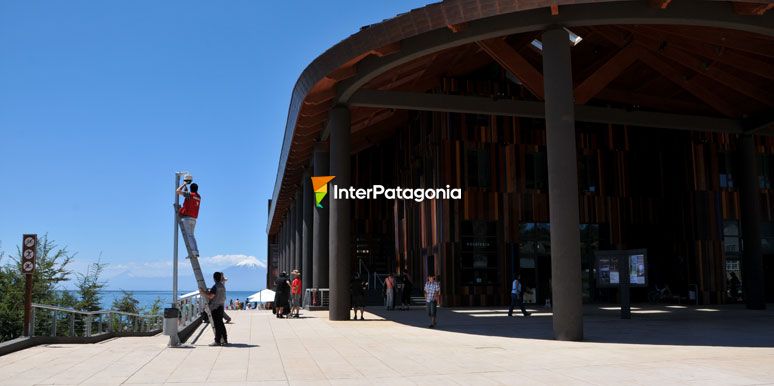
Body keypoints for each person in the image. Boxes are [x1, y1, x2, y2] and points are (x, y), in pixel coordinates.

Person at [200, 271, 228, 346]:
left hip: (215, 307)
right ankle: (225, 339)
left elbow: (211, 296)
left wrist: (203, 292)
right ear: (220, 278)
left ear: (214, 278)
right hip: (221, 306)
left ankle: (217, 341)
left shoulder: (215, 286)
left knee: (217, 325)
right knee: (221, 324)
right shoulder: (222, 286)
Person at [176, 176, 201, 257]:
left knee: (189, 235)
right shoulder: (198, 196)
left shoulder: (190, 195)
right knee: (191, 235)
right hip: (194, 218)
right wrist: (186, 189)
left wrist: (183, 184)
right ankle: (195, 251)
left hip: (187, 217)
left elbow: (178, 191)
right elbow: (189, 196)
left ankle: (193, 252)